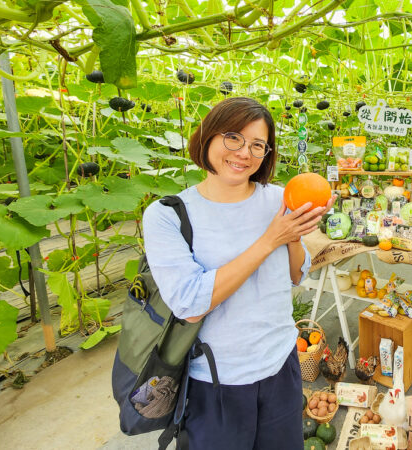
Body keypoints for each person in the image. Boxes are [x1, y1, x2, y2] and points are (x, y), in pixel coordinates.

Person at [142, 97, 333, 449]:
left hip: (280, 367)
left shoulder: (279, 198)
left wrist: (296, 234)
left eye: (257, 144)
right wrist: (270, 239)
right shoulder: (168, 215)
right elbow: (190, 303)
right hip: (216, 381)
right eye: (233, 137)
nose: (244, 152)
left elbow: (296, 275)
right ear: (208, 137)